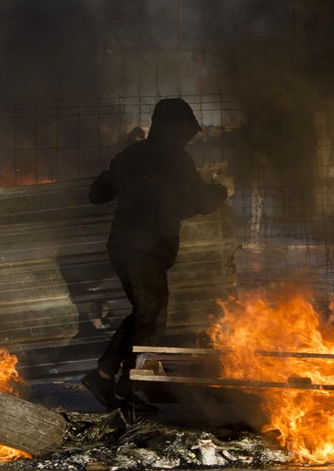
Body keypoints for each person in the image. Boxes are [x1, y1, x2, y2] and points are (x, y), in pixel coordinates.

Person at [83, 98, 228, 411]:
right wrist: (222, 189)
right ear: (175, 130)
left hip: (123, 246)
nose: (186, 140)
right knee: (152, 316)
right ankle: (124, 385)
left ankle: (107, 377)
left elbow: (97, 194)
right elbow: (201, 202)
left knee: (145, 313)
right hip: (144, 250)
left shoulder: (129, 155)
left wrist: (120, 174)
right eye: (185, 134)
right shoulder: (177, 160)